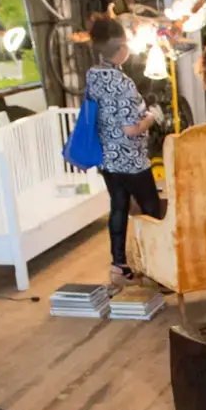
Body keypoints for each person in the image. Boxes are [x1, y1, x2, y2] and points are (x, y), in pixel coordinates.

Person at [85, 17, 162, 282]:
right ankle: (156, 266)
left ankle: (119, 265)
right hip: (132, 160)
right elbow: (130, 129)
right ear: (121, 49)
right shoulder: (123, 83)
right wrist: (151, 117)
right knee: (151, 209)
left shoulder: (93, 75)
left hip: (108, 158)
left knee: (118, 207)